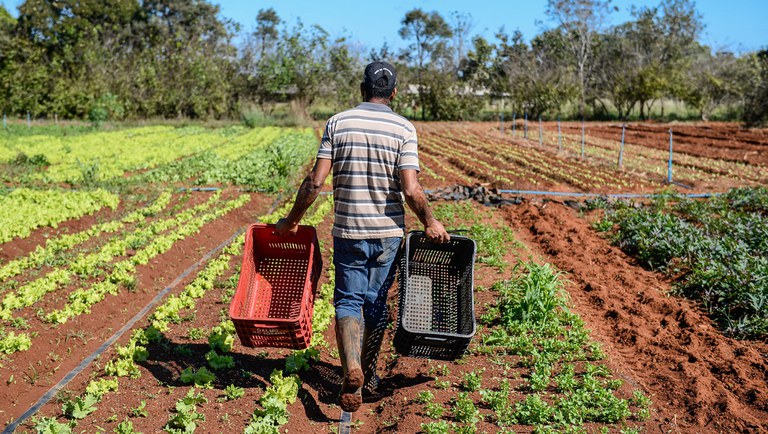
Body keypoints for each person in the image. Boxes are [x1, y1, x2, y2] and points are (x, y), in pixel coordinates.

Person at [275, 61, 449, 412]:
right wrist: (430, 221)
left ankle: (350, 367)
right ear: (394, 92)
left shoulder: (338, 123)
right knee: (375, 304)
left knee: (348, 301)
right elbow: (411, 189)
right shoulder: (404, 128)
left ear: (361, 89)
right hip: (388, 234)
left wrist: (292, 220)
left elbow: (315, 182)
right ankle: (367, 375)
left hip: (349, 230)